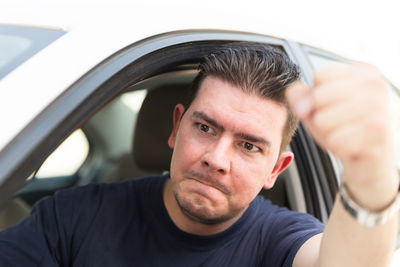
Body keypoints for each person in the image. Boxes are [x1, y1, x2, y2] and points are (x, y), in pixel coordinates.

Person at [0, 42, 398, 267]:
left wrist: (372, 174)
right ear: (177, 127)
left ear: (276, 168)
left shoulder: (281, 240)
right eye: (205, 128)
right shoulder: (73, 215)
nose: (217, 158)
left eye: (248, 146)